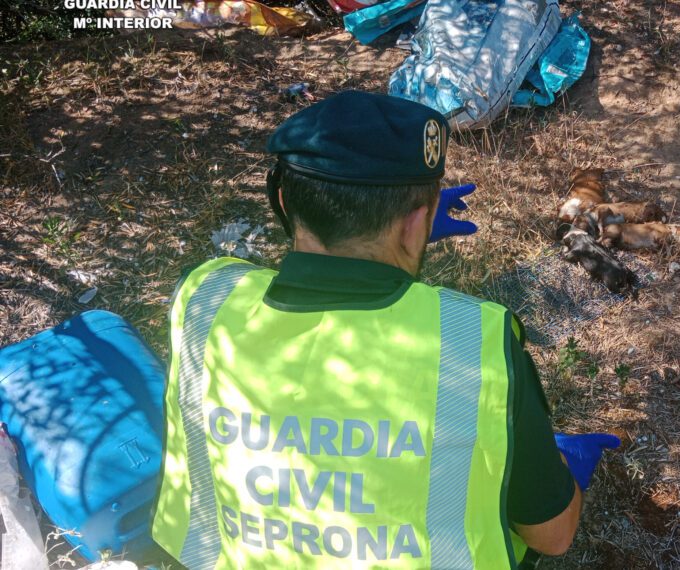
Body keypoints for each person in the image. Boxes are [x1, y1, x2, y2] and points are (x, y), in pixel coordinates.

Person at [150, 91, 619, 569]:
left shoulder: (206, 299)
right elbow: (552, 536)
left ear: (285, 200)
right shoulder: (473, 340)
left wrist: (388, 239)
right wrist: (563, 468)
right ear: (419, 221)